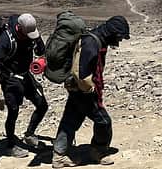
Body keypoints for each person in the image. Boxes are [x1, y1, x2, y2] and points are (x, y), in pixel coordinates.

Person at [52, 16, 130, 168]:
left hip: (76, 89)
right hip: (84, 91)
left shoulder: (95, 39)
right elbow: (81, 72)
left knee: (70, 121)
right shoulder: (92, 43)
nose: (119, 41)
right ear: (112, 33)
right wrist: (91, 91)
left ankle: (59, 156)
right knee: (104, 121)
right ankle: (98, 151)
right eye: (119, 37)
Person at [0, 13, 48, 158]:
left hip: (25, 75)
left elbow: (41, 51)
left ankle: (29, 134)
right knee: (13, 110)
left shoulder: (31, 33)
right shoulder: (7, 39)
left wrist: (38, 40)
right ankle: (10, 145)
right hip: (9, 78)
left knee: (42, 105)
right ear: (19, 28)